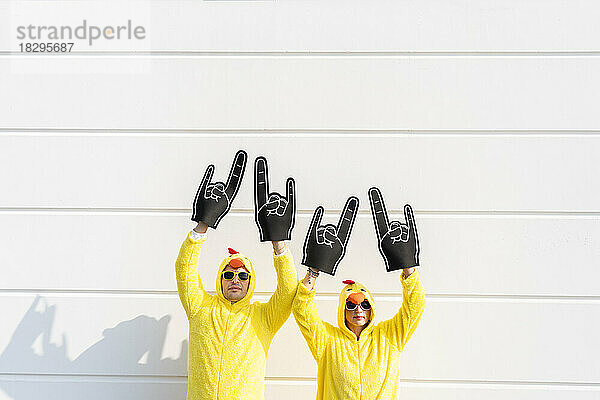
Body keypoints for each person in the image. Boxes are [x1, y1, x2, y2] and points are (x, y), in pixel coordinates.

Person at [175, 151, 298, 400]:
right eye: (229, 274)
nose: (235, 280)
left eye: (243, 276)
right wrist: (203, 224)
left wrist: (278, 242)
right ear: (220, 278)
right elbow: (184, 269)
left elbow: (288, 290)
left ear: (250, 283)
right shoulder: (200, 307)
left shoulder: (264, 317)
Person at [292, 187, 426, 399]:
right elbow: (302, 312)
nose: (358, 309)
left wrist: (407, 266)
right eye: (351, 304)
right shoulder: (328, 341)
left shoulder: (389, 337)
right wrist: (314, 270)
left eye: (364, 304)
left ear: (371, 308)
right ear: (342, 309)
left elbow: (415, 307)